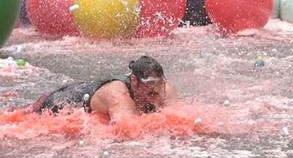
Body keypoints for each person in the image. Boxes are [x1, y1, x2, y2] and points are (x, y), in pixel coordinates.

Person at [23, 55, 177, 121]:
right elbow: (127, 131)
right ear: (134, 80)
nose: (154, 88)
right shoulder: (118, 95)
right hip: (62, 102)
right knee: (25, 115)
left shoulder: (163, 88)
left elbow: (180, 117)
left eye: (158, 83)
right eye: (149, 83)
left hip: (88, 87)